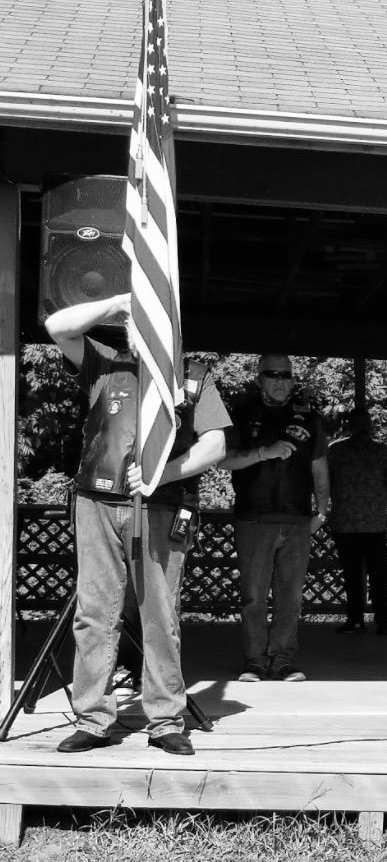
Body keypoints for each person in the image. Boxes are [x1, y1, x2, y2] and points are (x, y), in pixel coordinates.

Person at [45, 293, 230, 757]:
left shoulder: (194, 377)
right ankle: (92, 718)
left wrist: (160, 473)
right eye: (138, 318)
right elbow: (58, 328)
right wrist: (119, 302)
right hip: (97, 502)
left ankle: (165, 719)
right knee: (94, 614)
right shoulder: (104, 362)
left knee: (160, 617)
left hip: (163, 506)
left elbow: (216, 445)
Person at [226, 353, 330, 682]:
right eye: (272, 374)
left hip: (297, 519)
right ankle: (255, 660)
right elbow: (222, 461)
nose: (280, 380)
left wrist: (324, 510)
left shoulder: (309, 418)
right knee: (254, 595)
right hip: (254, 519)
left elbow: (320, 468)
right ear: (259, 378)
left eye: (285, 375)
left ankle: (283, 659)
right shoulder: (242, 413)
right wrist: (263, 453)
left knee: (291, 596)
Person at [327, 406, 387, 634]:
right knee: (378, 574)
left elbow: (323, 483)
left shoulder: (336, 451)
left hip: (346, 522)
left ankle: (356, 620)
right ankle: (383, 621)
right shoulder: (380, 451)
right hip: (372, 523)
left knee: (353, 574)